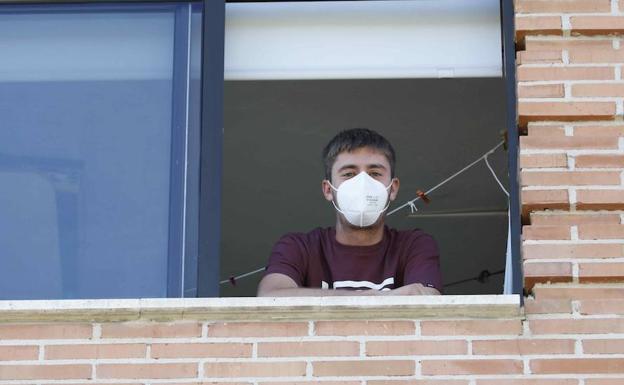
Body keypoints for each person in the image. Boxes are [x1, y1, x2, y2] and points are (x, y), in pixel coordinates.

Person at [257, 128, 442, 296]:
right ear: (328, 189)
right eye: (348, 174)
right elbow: (270, 296)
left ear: (392, 189)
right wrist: (368, 299)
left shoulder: (413, 245)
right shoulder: (300, 247)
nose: (362, 183)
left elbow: (427, 300)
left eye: (375, 173)